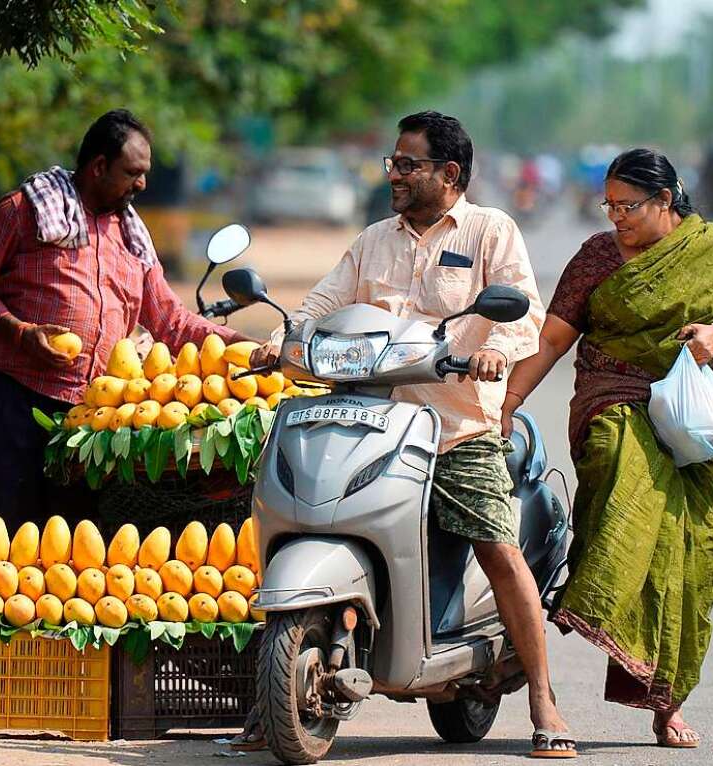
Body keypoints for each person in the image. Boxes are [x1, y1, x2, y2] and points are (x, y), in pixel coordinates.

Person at [245, 111, 575, 758]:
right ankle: (269, 702)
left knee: (497, 547)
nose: (392, 173)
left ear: (448, 174)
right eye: (392, 163)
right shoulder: (373, 240)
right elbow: (320, 304)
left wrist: (493, 353)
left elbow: (520, 312)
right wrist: (283, 339)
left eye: (406, 164)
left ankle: (542, 697)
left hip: (456, 428)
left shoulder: (489, 231)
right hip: (368, 419)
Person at [500, 148, 713, 748]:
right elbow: (553, 338)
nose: (616, 217)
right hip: (612, 399)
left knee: (694, 556)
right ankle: (583, 608)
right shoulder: (595, 257)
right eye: (608, 205)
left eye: (629, 206)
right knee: (627, 498)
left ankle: (667, 704)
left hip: (696, 423)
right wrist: (508, 401)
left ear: (666, 201)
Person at [0, 109, 248, 528]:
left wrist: (243, 345)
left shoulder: (132, 238)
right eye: (132, 172)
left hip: (93, 421)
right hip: (19, 401)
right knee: (10, 539)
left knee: (80, 549)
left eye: (145, 173)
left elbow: (171, 321)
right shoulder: (26, 211)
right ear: (99, 167)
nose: (142, 184)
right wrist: (18, 332)